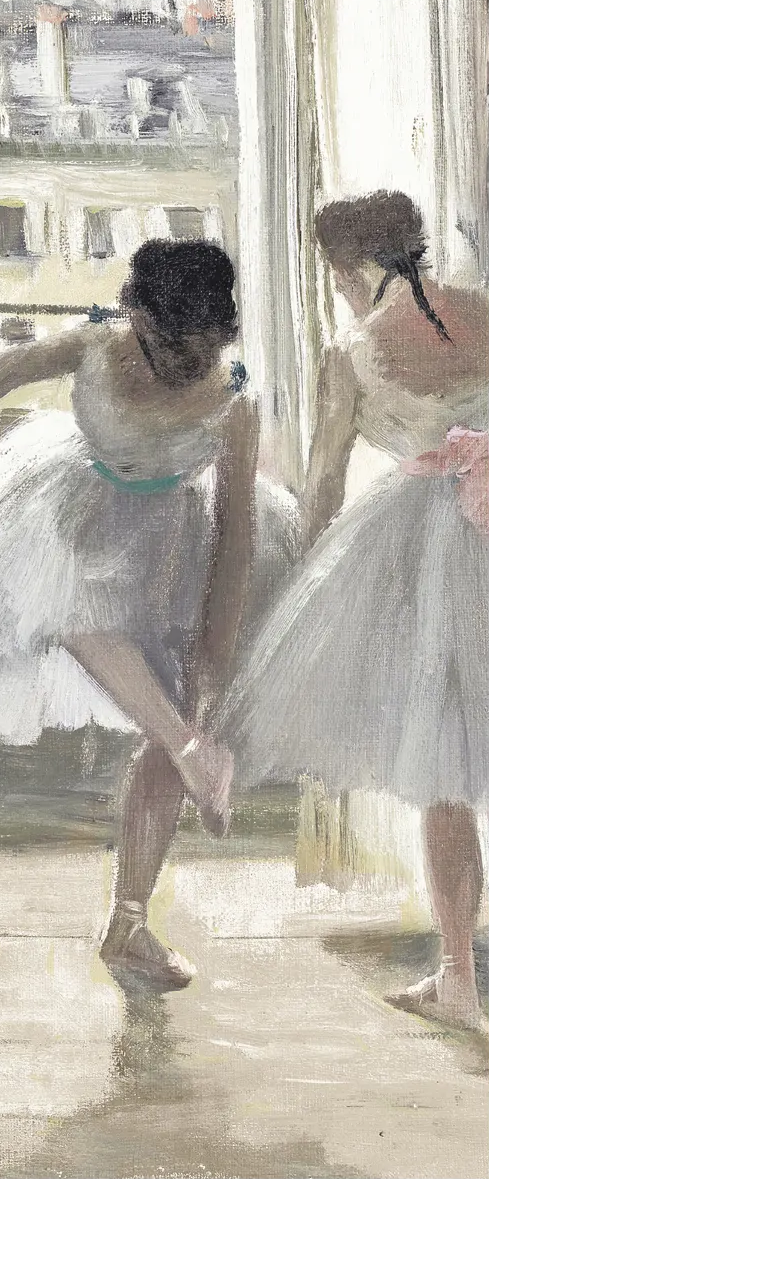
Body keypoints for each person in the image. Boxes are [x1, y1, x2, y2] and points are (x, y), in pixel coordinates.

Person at [0, 241, 301, 991]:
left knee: (177, 719)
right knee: (67, 604)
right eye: (171, 345)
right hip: (73, 513)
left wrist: (211, 661)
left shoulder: (234, 399)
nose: (186, 363)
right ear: (135, 316)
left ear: (225, 335)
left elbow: (235, 538)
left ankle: (129, 920)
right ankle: (191, 747)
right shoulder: (98, 343)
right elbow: (3, 371)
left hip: (169, 545)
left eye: (204, 348)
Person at [220, 190, 490, 1030]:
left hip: (433, 547)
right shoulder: (483, 311)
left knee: (445, 768)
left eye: (334, 276)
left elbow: (328, 483)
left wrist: (301, 562)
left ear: (347, 270)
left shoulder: (351, 355)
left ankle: (458, 977)